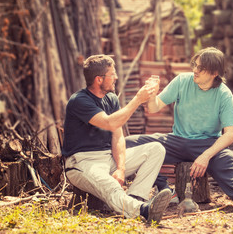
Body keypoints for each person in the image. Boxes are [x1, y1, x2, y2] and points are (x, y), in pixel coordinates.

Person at [126, 47, 233, 218]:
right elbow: (154, 107)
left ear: (215, 72)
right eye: (195, 65)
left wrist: (206, 156)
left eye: (200, 68)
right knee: (130, 143)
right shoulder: (182, 81)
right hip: (176, 141)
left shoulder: (224, 94)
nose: (195, 70)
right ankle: (165, 189)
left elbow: (230, 134)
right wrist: (151, 94)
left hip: (207, 144)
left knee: (228, 159)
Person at [62, 54, 172, 223]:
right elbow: (108, 123)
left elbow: (118, 136)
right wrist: (137, 100)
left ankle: (135, 198)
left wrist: (120, 168)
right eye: (112, 74)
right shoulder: (79, 101)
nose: (116, 77)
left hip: (108, 158)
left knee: (156, 149)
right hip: (82, 162)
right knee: (111, 186)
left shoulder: (111, 99)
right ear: (99, 79)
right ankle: (144, 211)